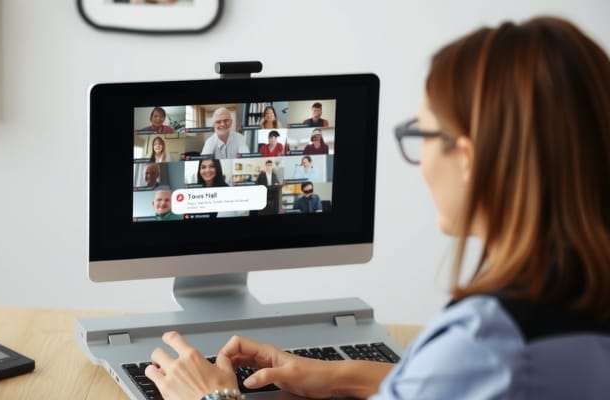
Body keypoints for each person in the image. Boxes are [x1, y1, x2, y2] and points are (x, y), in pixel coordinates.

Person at [142, 17, 610, 400]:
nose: (420, 162)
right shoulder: (574, 309)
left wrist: (211, 398)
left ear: (467, 158)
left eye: (421, 135)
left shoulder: (488, 344)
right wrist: (340, 375)